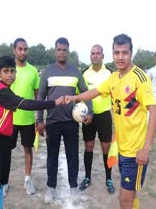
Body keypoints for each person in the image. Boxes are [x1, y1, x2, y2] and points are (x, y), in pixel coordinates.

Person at [65, 34, 156, 209]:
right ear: (112, 54)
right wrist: (75, 97)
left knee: (124, 199)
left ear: (131, 53)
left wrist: (146, 148)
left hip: (136, 150)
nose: (120, 57)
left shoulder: (140, 77)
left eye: (125, 52)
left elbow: (154, 112)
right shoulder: (114, 77)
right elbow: (95, 92)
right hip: (123, 147)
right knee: (131, 194)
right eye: (117, 52)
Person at [0, 55, 65, 209]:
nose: (10, 74)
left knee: (0, 183)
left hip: (3, 142)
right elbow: (26, 104)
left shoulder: (3, 89)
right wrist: (53, 102)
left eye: (13, 71)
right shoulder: (3, 92)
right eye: (6, 71)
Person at [37, 37, 93, 204]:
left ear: (68, 51)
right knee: (52, 156)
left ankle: (73, 187)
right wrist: (40, 119)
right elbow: (41, 96)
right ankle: (51, 187)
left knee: (72, 156)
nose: (61, 52)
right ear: (55, 51)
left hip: (71, 122)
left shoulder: (75, 72)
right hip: (52, 122)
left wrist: (90, 111)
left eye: (64, 50)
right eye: (59, 49)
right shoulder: (47, 72)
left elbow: (85, 92)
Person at [79, 44, 115, 194]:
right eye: (92, 53)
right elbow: (79, 95)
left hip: (105, 116)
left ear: (102, 56)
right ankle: (87, 177)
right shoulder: (84, 73)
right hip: (88, 115)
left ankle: (109, 178)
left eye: (98, 53)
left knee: (106, 147)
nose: (95, 55)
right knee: (89, 146)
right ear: (90, 56)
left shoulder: (111, 73)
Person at [9, 38, 40, 197]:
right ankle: (4, 182)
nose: (23, 52)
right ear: (14, 50)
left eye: (25, 49)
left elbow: (37, 97)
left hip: (27, 119)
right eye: (20, 49)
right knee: (6, 151)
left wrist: (38, 118)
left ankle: (28, 180)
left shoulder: (33, 71)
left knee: (28, 149)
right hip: (10, 119)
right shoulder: (8, 69)